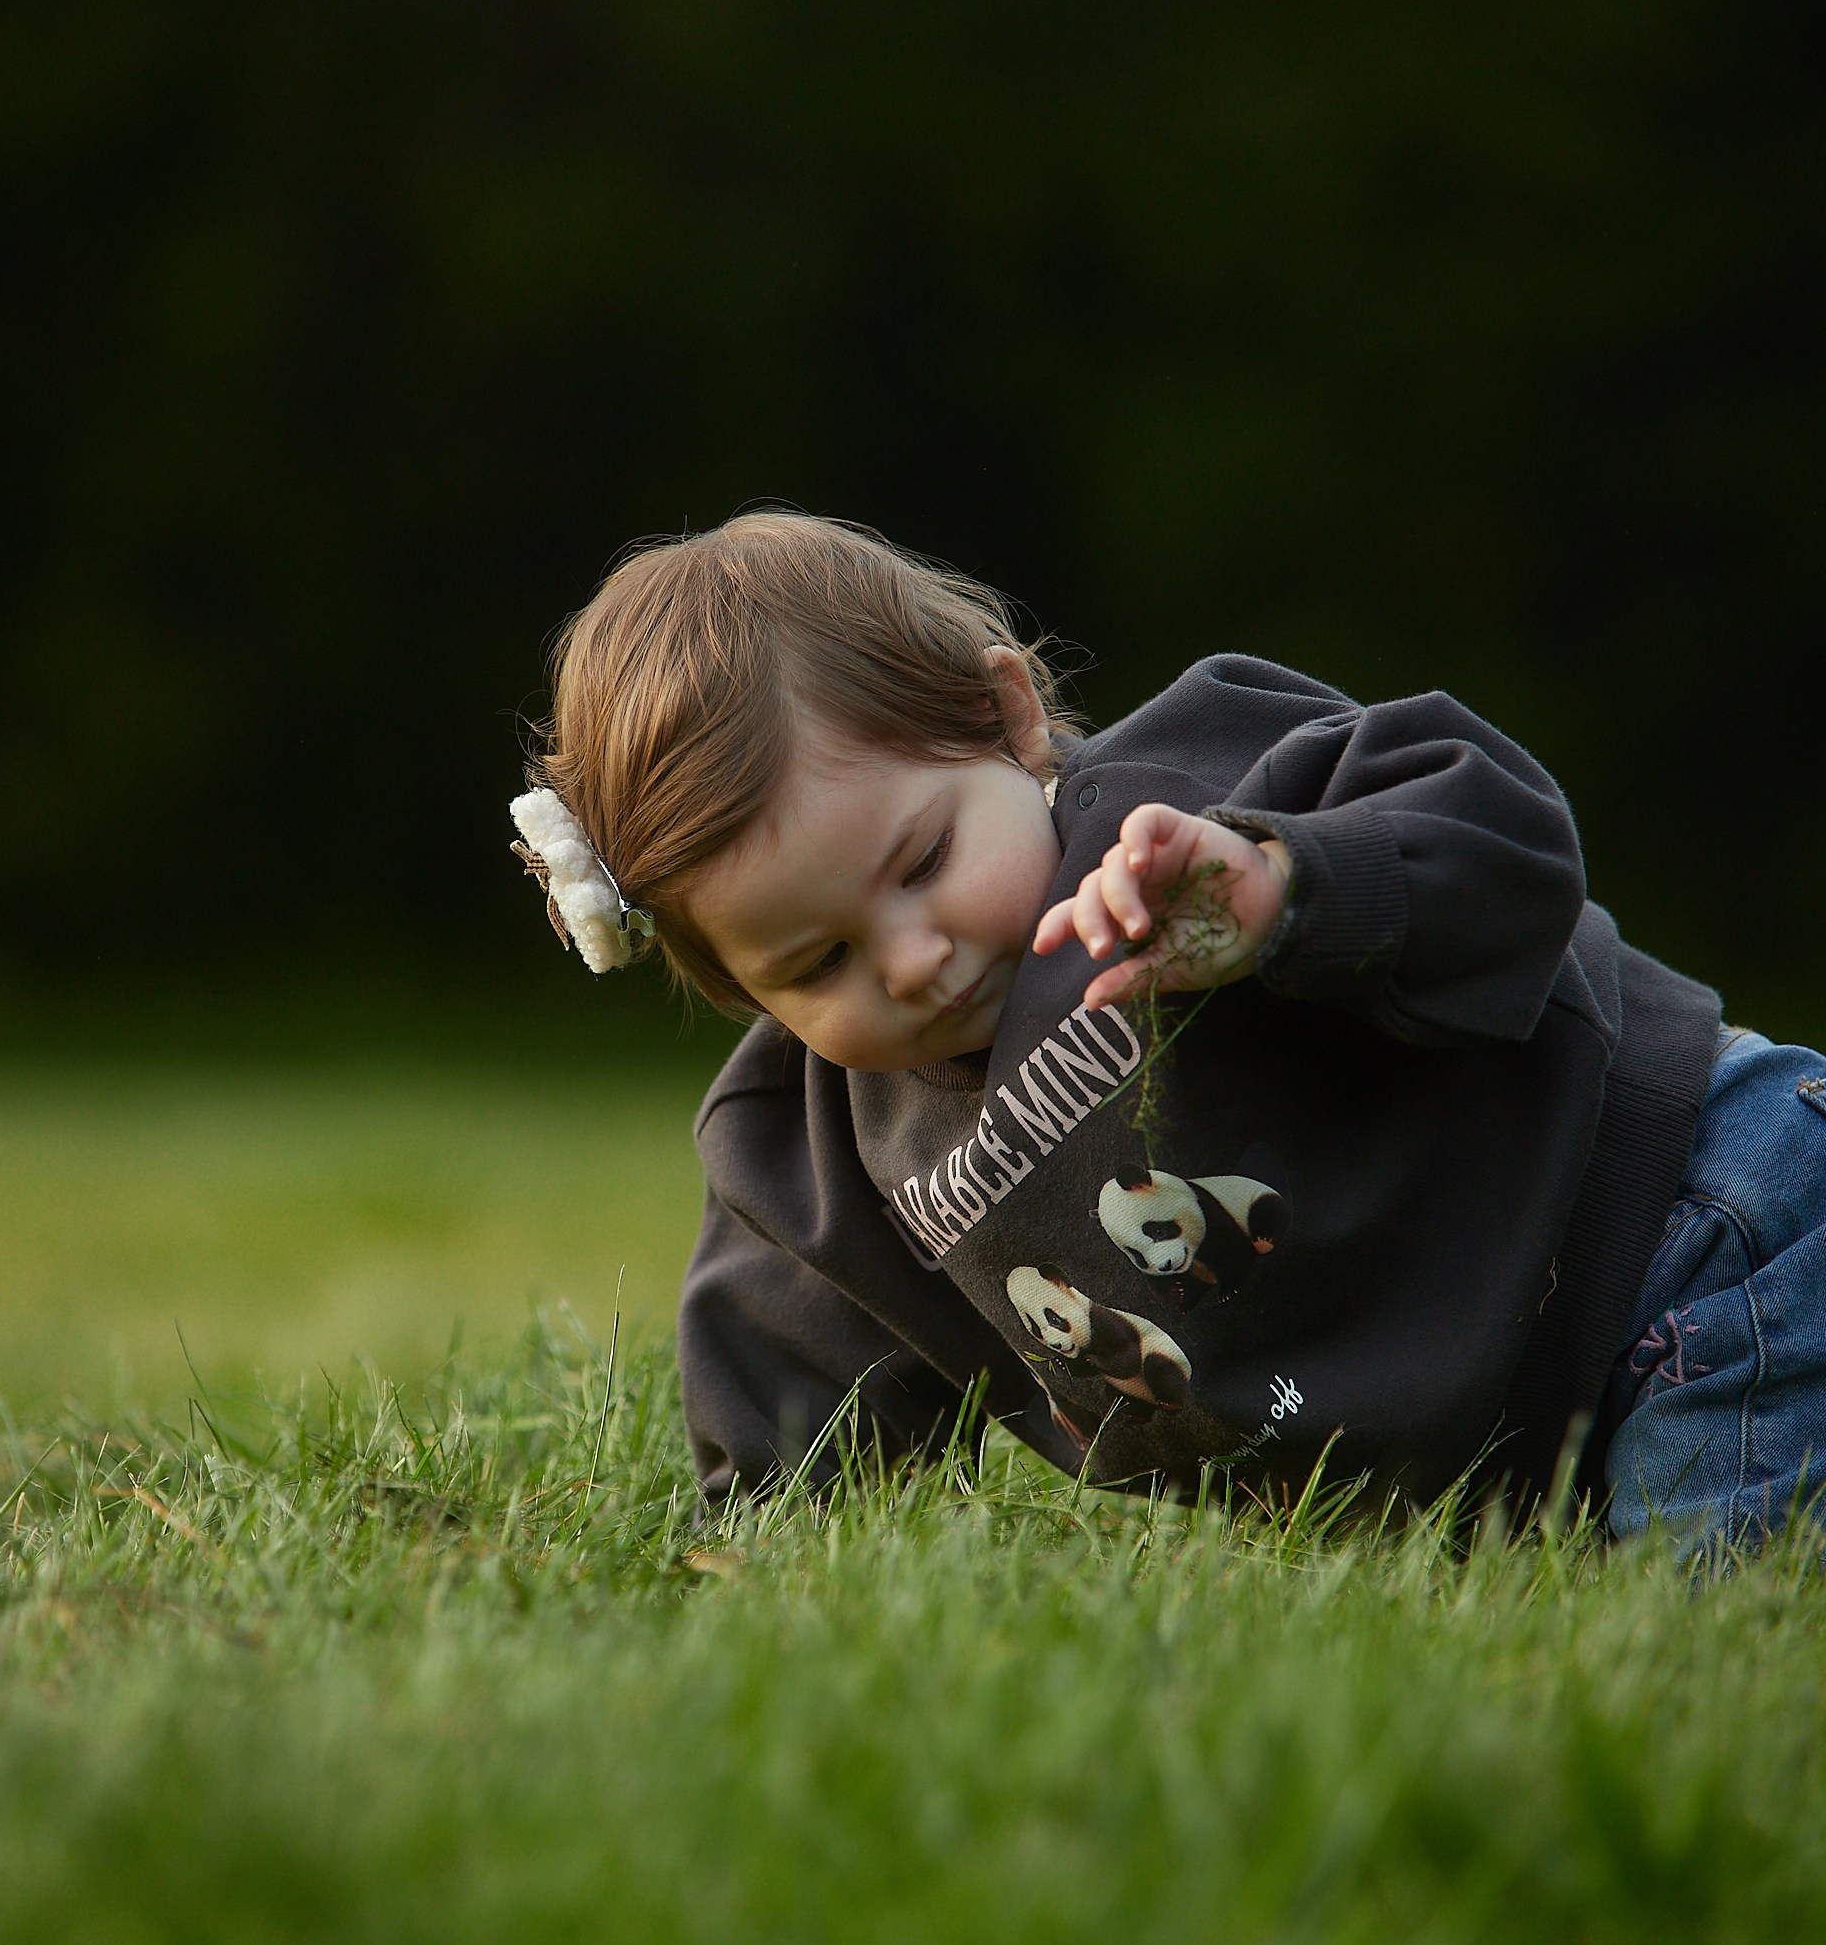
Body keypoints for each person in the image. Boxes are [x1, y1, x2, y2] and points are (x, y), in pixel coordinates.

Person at [512, 510, 1826, 1549]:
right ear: (747, 992)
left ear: (1008, 720)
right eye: (815, 960)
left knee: (1720, 1608)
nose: (910, 960)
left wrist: (1289, 890)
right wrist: (751, 1553)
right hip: (1509, 1413)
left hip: (1693, 1228)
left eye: (921, 862)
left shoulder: (1185, 810)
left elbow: (1511, 849)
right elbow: (789, 1384)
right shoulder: (816, 1154)